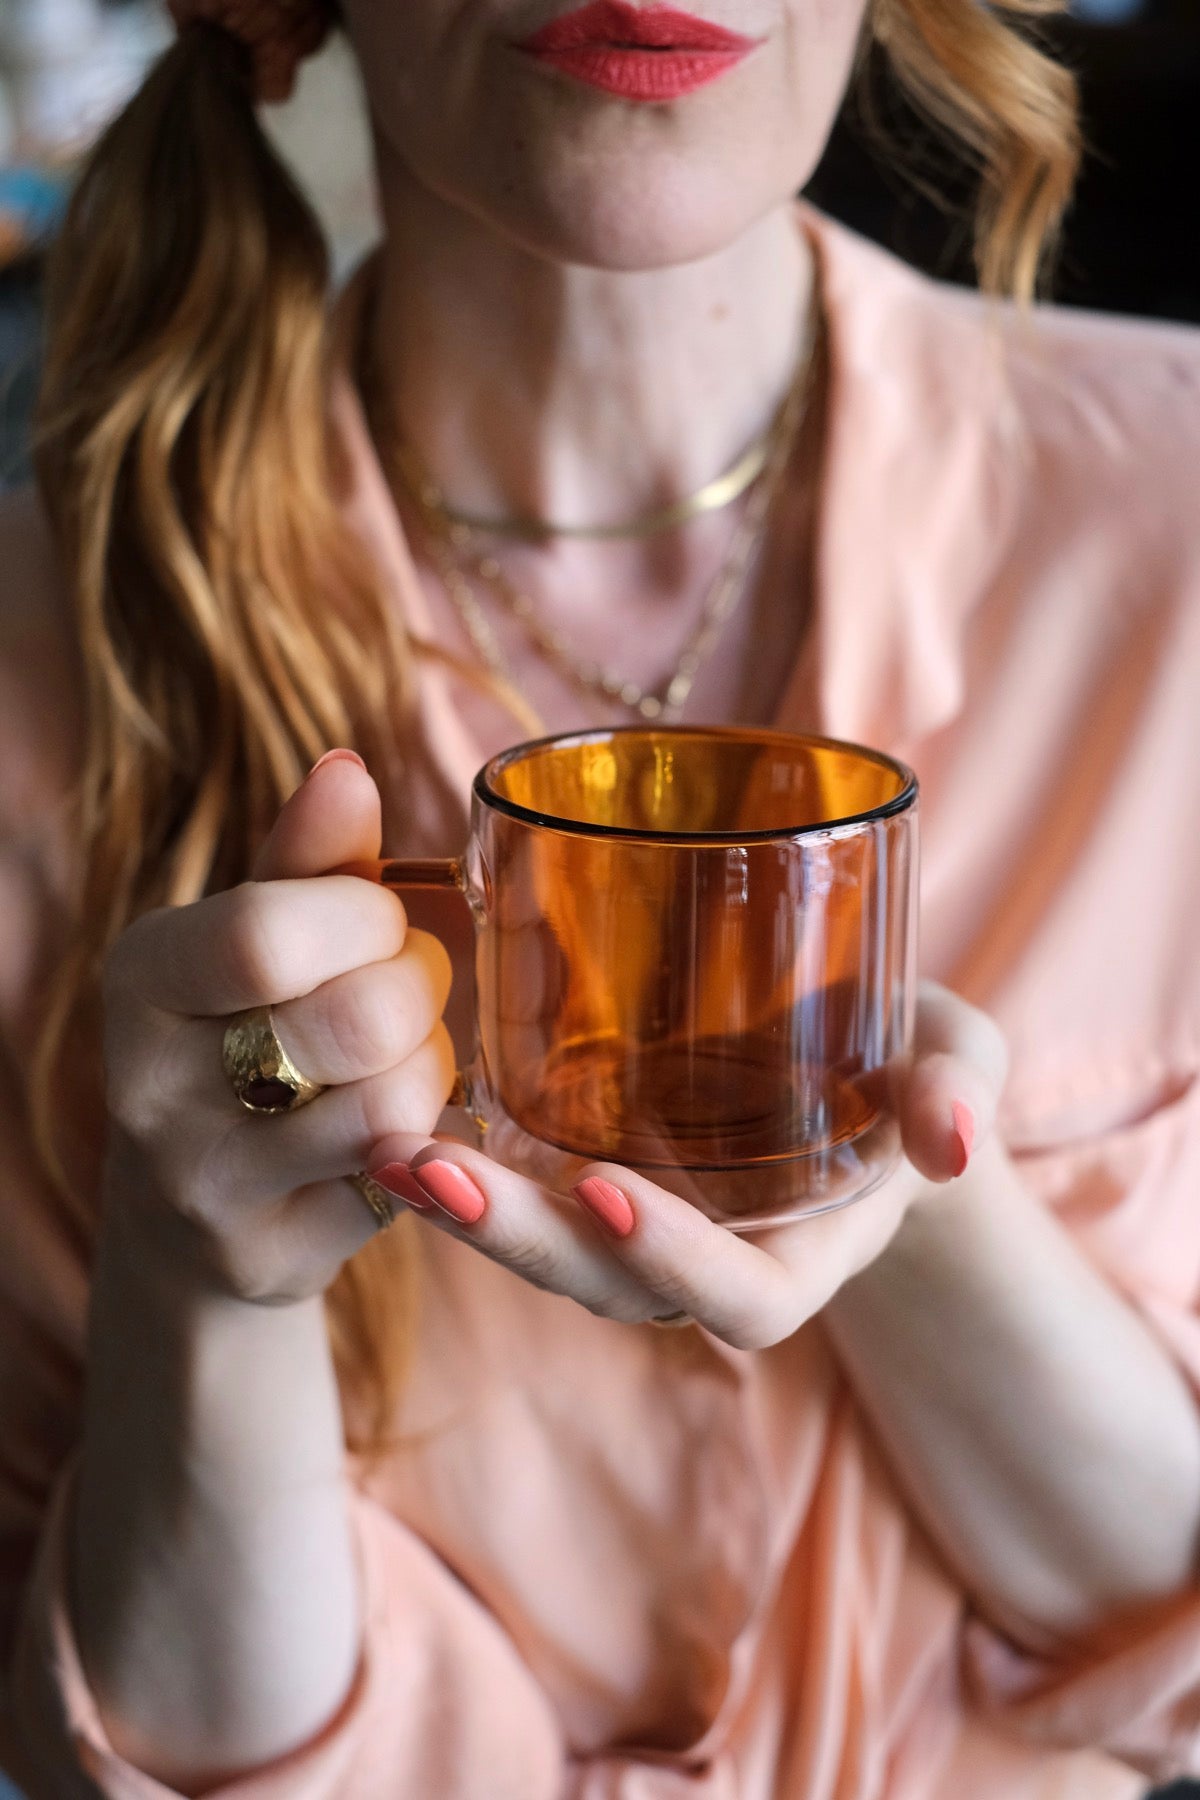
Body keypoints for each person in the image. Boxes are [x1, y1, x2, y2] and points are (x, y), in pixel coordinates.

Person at [1, 0, 1200, 1794]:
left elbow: (1162, 1630)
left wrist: (915, 1192)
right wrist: (208, 1292)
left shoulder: (1173, 519)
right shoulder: (34, 660)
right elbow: (145, 1745)